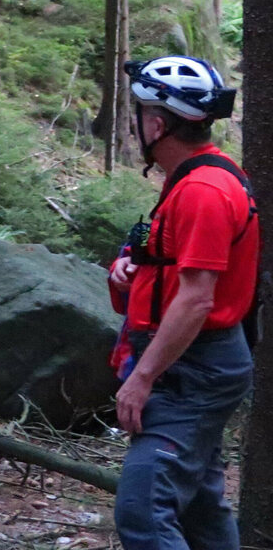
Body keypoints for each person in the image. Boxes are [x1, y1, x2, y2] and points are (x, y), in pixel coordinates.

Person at [108, 55, 257, 550]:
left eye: (139, 115)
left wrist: (143, 379)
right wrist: (134, 269)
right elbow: (182, 273)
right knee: (200, 508)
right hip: (193, 360)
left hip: (194, 368)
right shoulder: (194, 181)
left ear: (156, 123)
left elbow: (196, 300)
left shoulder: (204, 191)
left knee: (143, 507)